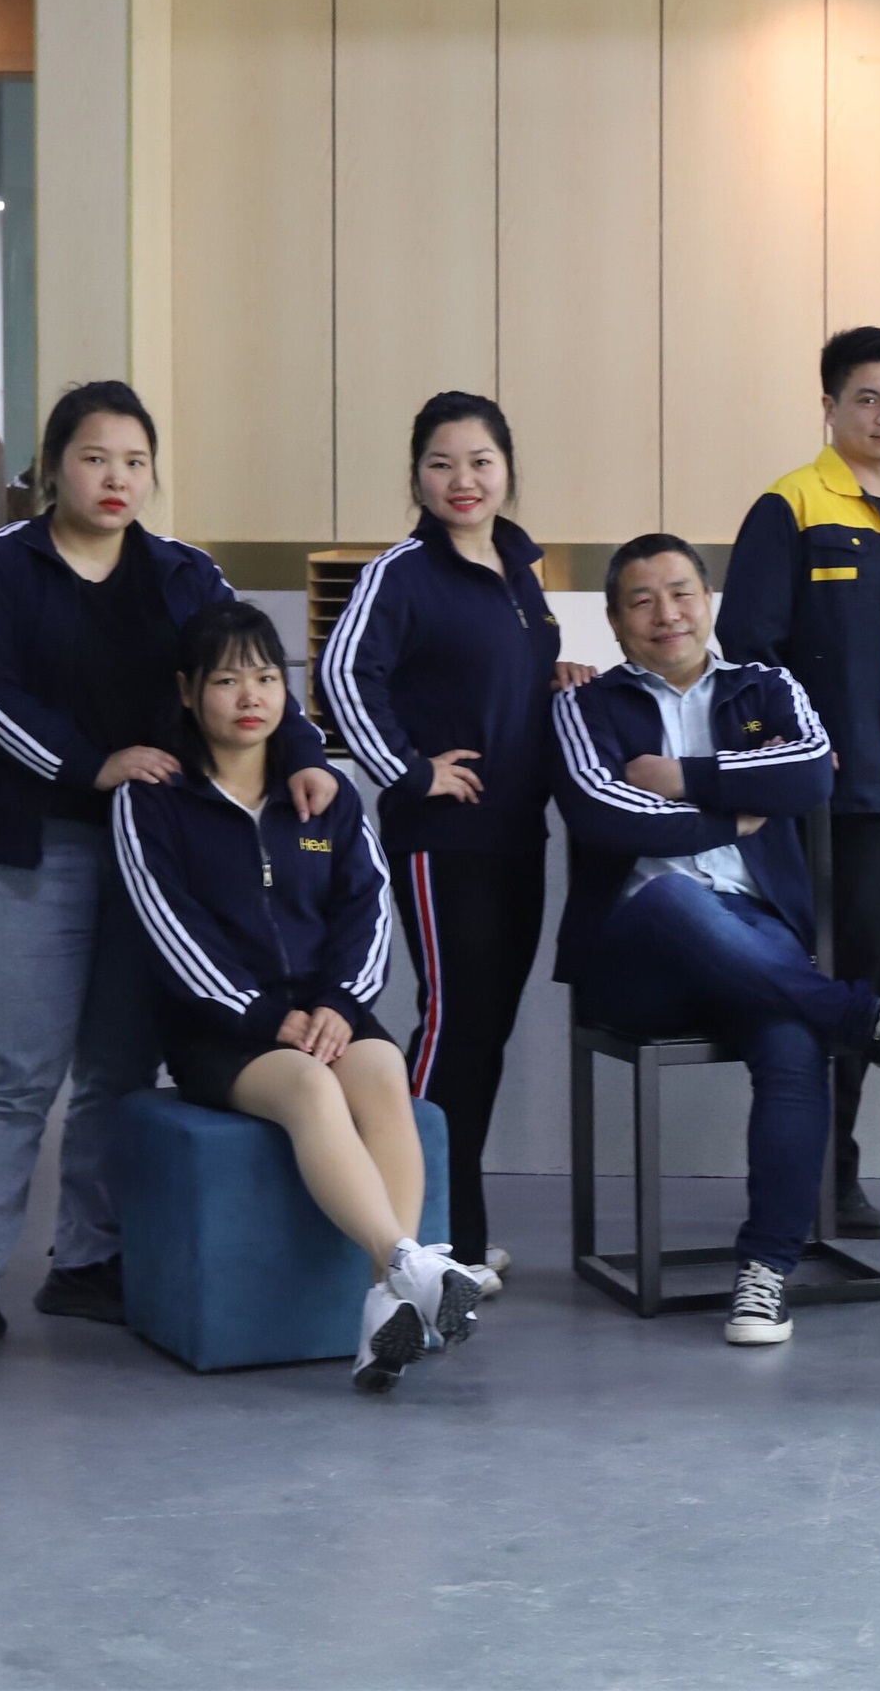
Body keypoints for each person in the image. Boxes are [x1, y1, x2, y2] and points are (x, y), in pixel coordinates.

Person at [0, 381, 344, 1364]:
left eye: (135, 461)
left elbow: (250, 669)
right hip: (43, 845)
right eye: (95, 458)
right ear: (53, 468)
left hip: (158, 854)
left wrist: (305, 753)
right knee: (15, 1068)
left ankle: (87, 1259)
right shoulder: (1, 563)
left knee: (117, 1068)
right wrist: (90, 763)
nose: (117, 478)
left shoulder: (185, 572)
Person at [553, 534, 880, 1350]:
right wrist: (732, 811)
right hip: (635, 957)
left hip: (756, 941)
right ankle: (865, 1017)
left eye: (681, 593)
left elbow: (810, 774)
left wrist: (681, 779)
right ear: (615, 619)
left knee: (791, 1038)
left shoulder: (767, 687)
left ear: (708, 601)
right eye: (642, 600)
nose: (666, 613)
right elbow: (603, 813)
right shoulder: (586, 705)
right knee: (674, 895)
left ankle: (765, 1273)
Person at [110, 603, 481, 1393]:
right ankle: (408, 1265)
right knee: (312, 1087)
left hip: (326, 1011)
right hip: (222, 1030)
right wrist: (265, 1017)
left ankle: (390, 1302)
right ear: (187, 691)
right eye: (226, 680)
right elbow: (170, 929)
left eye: (266, 677)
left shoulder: (324, 792)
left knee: (383, 1070)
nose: (250, 696)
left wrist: (341, 1004)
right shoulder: (152, 799)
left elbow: (368, 908)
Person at [320, 392, 585, 1298]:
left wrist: (554, 675)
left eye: (480, 461)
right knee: (449, 1029)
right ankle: (417, 1236)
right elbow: (342, 674)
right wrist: (408, 771)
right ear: (417, 477)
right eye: (441, 464)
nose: (462, 480)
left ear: (506, 468)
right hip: (444, 840)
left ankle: (459, 1234)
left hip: (517, 833)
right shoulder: (401, 573)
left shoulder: (519, 570)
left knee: (486, 1032)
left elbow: (495, 681)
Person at [718, 327, 880, 1240]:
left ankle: (835, 1171)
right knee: (810, 987)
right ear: (830, 408)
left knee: (869, 988)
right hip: (816, 802)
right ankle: (800, 1179)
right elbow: (747, 651)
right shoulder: (790, 507)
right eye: (867, 398)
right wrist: (778, 766)